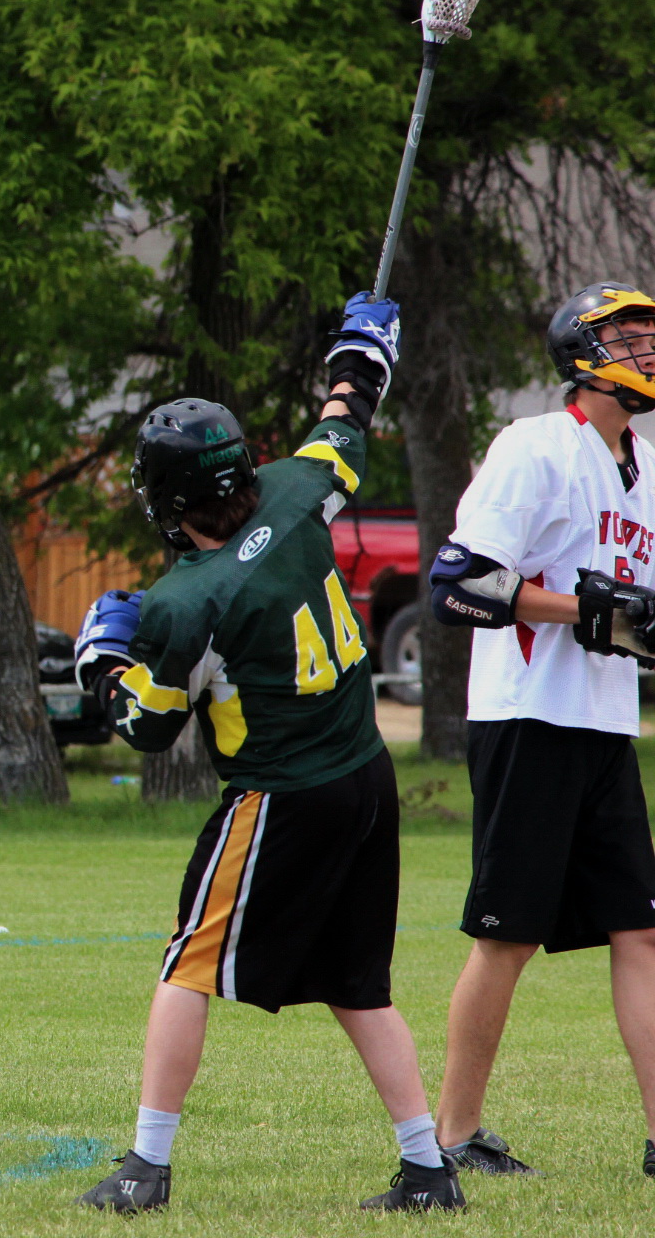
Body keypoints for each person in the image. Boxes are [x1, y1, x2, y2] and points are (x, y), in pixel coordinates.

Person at [70, 295, 465, 1213]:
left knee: (187, 964)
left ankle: (146, 1167)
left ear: (171, 500)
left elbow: (147, 729)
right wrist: (361, 352)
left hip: (284, 793)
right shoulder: (296, 488)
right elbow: (345, 420)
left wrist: (103, 666)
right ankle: (425, 1166)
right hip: (367, 774)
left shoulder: (187, 601)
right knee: (358, 983)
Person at [424, 282, 655, 1179]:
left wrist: (632, 621)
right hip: (528, 719)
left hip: (603, 724)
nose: (646, 348)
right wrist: (586, 610)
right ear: (583, 352)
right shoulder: (533, 446)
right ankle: (452, 1134)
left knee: (641, 931)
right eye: (630, 335)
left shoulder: (642, 463)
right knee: (508, 936)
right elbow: (459, 584)